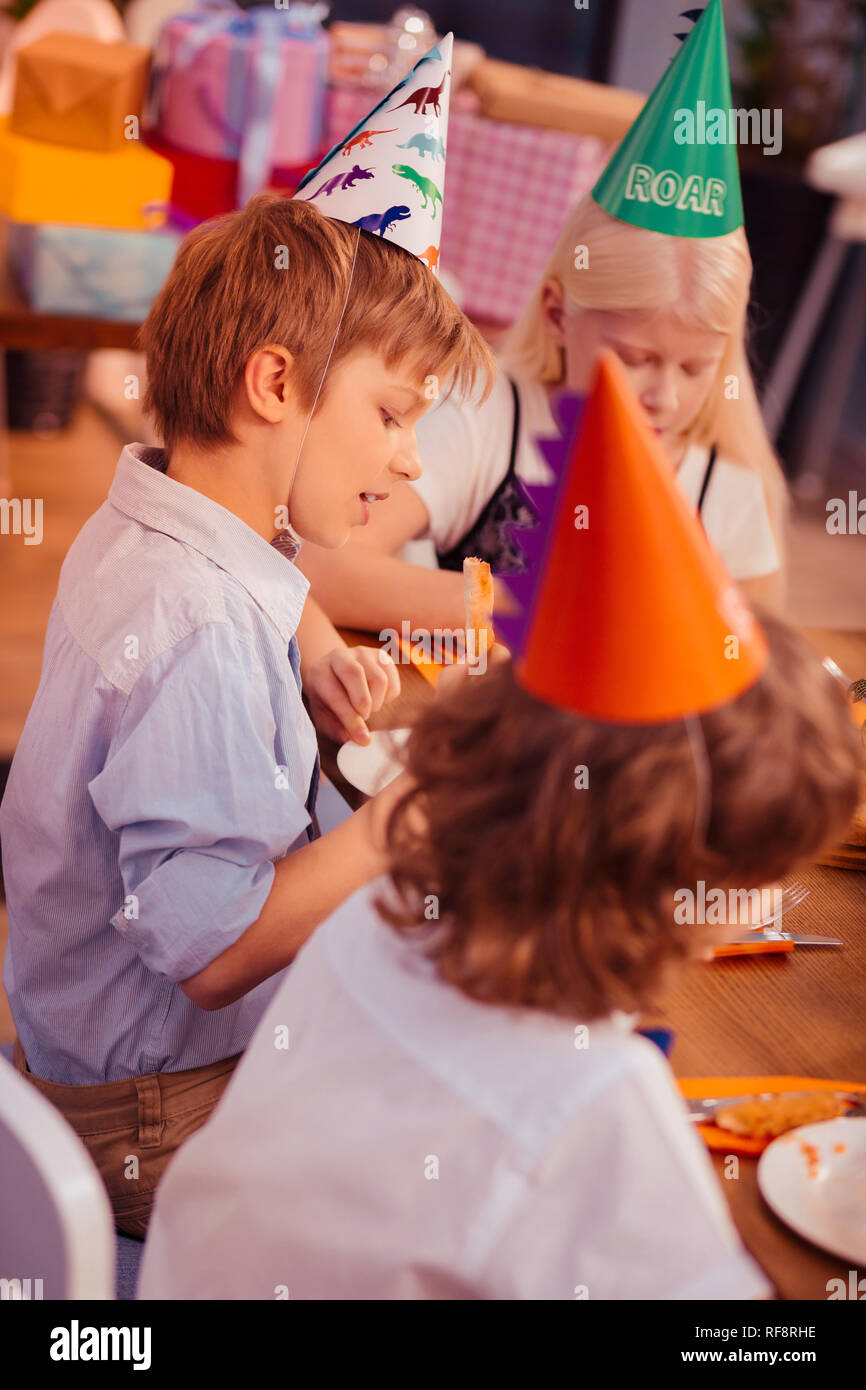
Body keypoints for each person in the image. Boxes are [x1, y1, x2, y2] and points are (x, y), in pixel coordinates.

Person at [138, 353, 861, 1301]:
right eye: (765, 869)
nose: (777, 898)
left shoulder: (385, 913)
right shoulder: (599, 1110)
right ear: (667, 876)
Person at [0, 35, 495, 1238]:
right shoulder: (200, 623)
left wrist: (315, 638)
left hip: (77, 1054)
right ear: (274, 386)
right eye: (389, 413)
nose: (407, 459)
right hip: (150, 1116)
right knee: (463, 1150)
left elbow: (261, 568)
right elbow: (215, 950)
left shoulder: (160, 515)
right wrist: (398, 822)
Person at [297, 0, 785, 635]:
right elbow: (322, 568)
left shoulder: (727, 494)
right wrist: (556, 611)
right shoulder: (490, 419)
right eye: (636, 359)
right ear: (558, 313)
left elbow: (751, 669)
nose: (664, 395)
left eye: (697, 366)